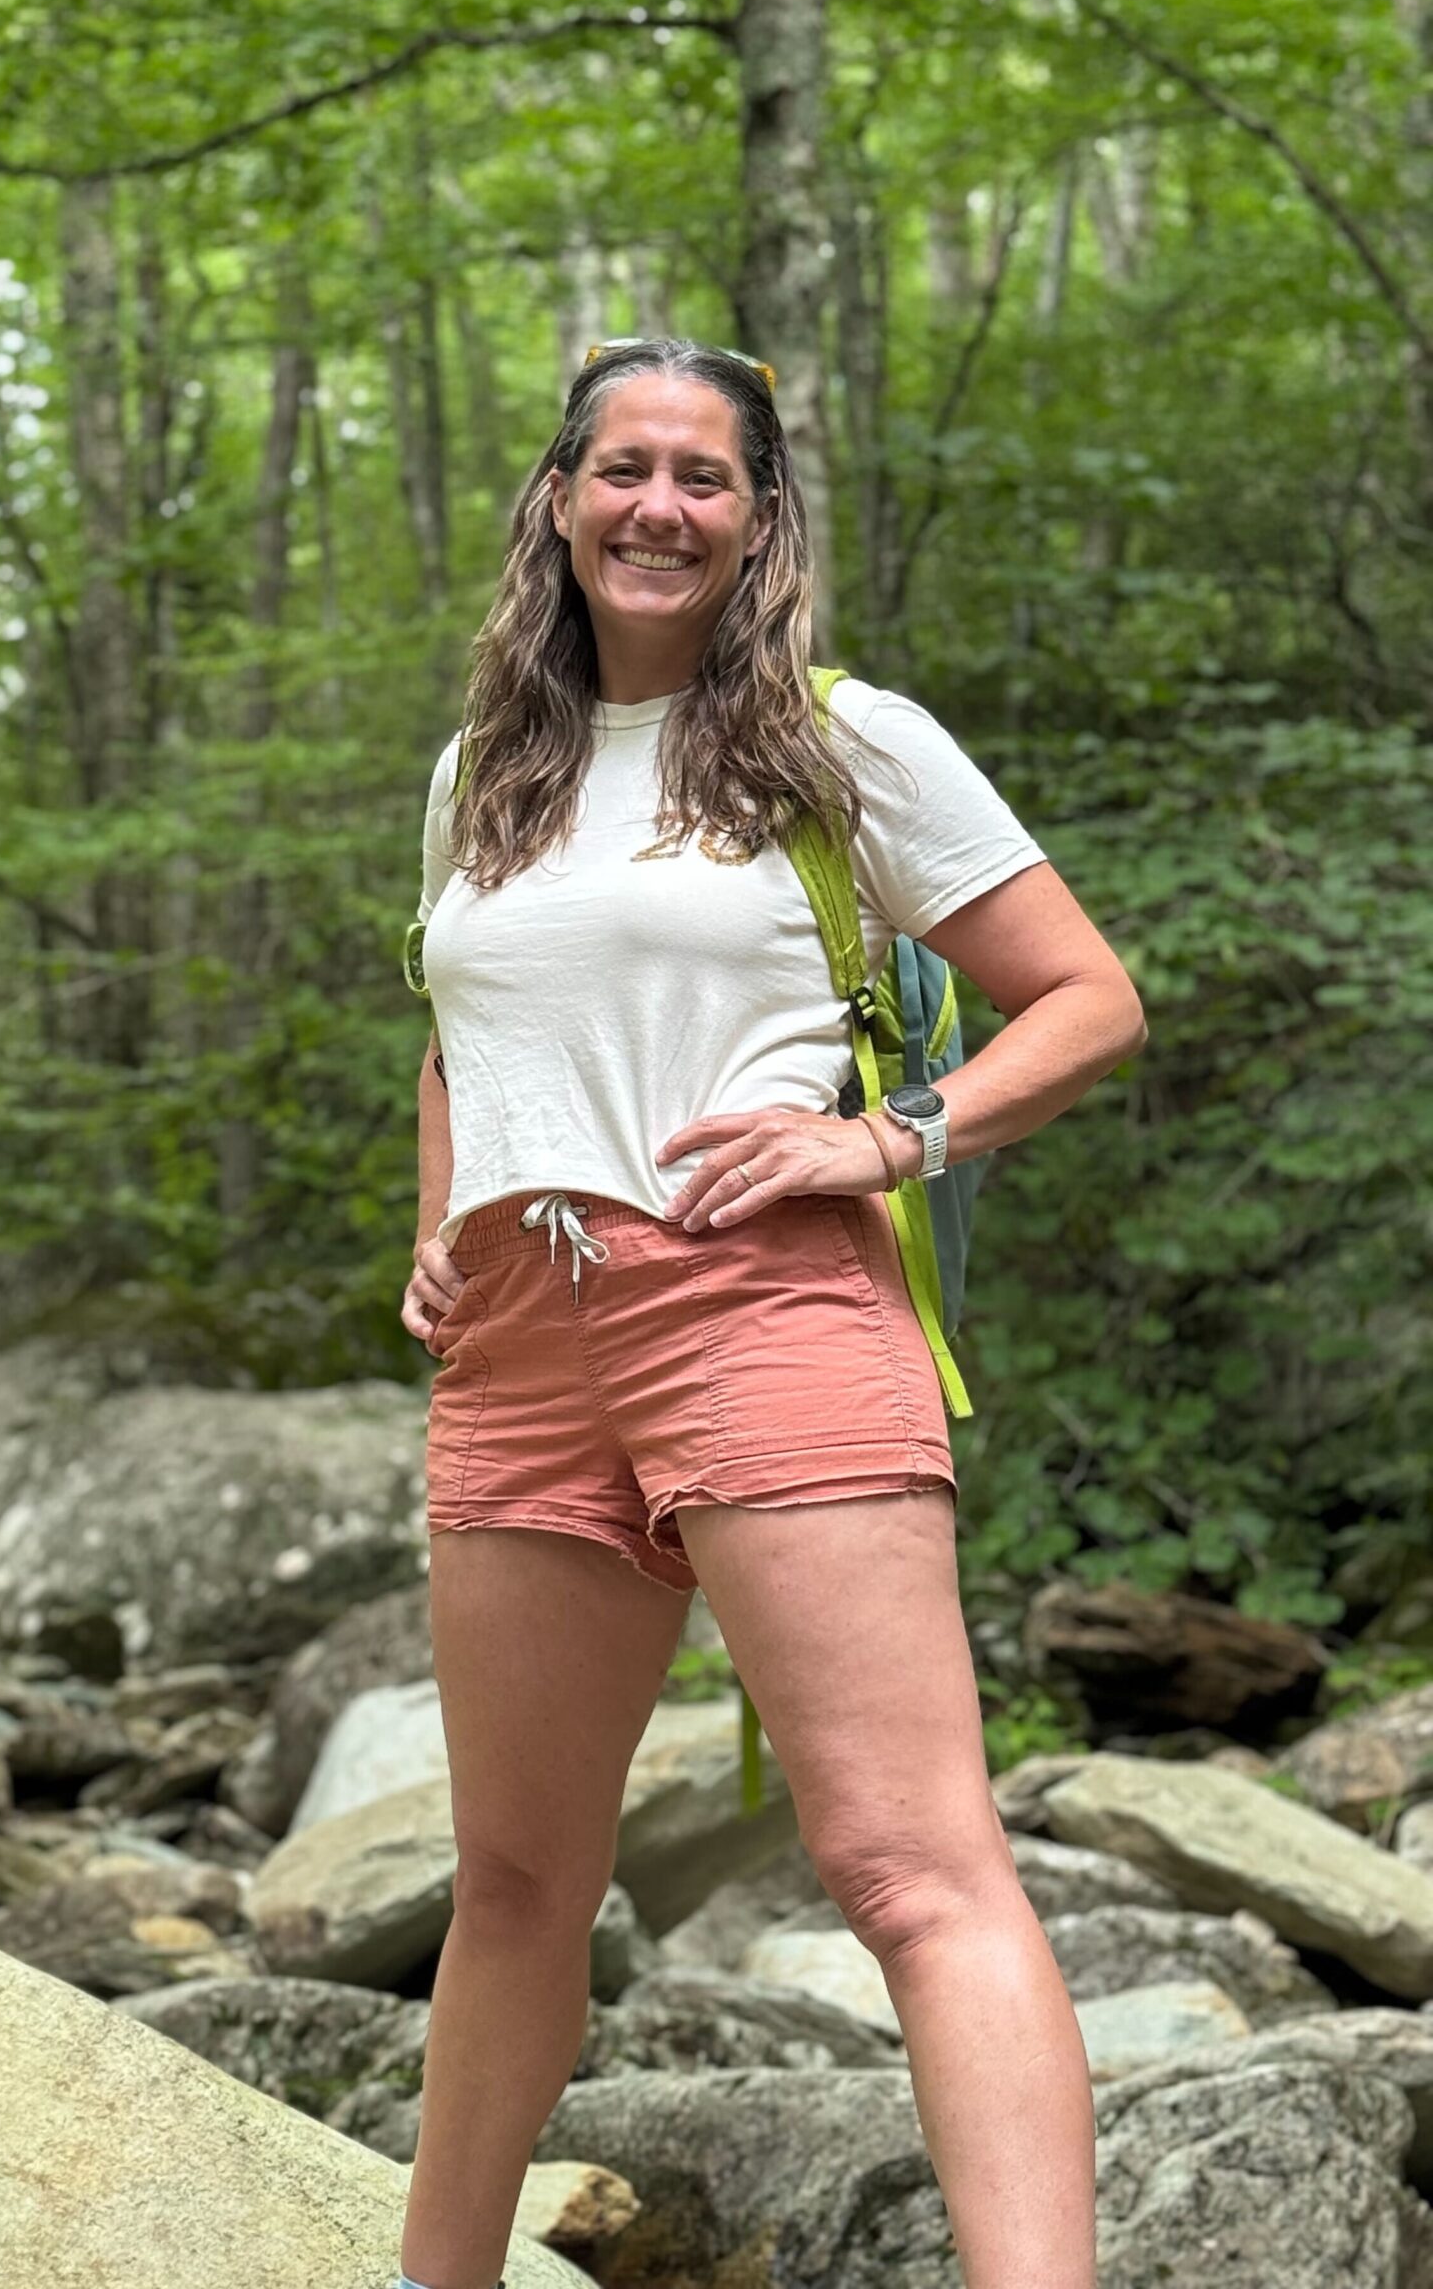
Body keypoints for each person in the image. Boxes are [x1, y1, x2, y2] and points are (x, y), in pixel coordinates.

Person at [388, 335, 1146, 2289]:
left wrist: (891, 1142)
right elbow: (464, 1026)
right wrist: (441, 1221)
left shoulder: (842, 740)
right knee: (516, 1881)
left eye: (701, 476)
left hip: (764, 1302)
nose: (657, 504)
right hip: (522, 1354)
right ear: (559, 497)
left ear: (753, 518)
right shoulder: (487, 772)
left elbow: (1088, 998)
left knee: (912, 1866)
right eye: (621, 467)